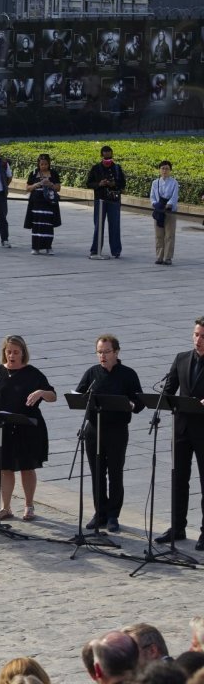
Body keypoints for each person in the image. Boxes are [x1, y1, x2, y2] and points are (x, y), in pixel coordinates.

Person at [0, 335, 56, 521]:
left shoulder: (33, 373)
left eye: (16, 352)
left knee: (27, 467)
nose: (12, 355)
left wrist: (41, 392)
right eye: (9, 352)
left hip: (27, 428)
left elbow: (52, 396)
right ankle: (5, 507)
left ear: (23, 353)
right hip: (2, 428)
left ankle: (29, 506)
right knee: (5, 468)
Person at [76, 334, 144, 533]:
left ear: (116, 352)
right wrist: (82, 397)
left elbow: (140, 402)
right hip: (93, 430)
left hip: (117, 431)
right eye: (99, 352)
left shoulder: (128, 374)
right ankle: (100, 513)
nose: (102, 356)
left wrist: (131, 404)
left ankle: (113, 514)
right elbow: (79, 394)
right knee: (97, 472)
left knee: (115, 473)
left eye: (106, 352)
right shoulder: (92, 373)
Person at [156, 317, 204, 552]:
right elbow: (169, 389)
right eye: (196, 334)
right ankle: (177, 527)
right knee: (178, 479)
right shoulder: (181, 358)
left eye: (203, 336)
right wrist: (163, 400)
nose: (198, 340)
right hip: (182, 429)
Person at [87, 145, 126, 259]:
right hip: (100, 200)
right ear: (101, 156)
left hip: (114, 200)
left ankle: (116, 251)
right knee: (98, 225)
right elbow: (89, 183)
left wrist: (114, 184)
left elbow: (123, 184)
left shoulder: (117, 168)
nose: (107, 161)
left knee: (115, 225)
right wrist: (100, 183)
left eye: (109, 159)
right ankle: (95, 250)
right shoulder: (96, 168)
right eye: (105, 159)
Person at [23, 153, 61, 255]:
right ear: (38, 164)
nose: (43, 166)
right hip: (36, 203)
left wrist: (51, 184)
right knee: (36, 225)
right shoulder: (34, 173)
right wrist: (37, 184)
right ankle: (35, 247)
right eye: (41, 164)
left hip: (49, 203)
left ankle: (48, 247)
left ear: (49, 164)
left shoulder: (53, 173)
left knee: (48, 225)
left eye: (45, 164)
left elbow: (58, 188)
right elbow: (27, 188)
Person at [151, 160, 179, 265]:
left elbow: (175, 196)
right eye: (162, 168)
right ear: (159, 170)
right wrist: (155, 204)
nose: (164, 171)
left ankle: (168, 257)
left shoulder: (174, 182)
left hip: (170, 211)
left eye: (167, 168)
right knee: (159, 235)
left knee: (169, 235)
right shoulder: (155, 182)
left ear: (170, 170)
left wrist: (169, 204)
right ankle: (159, 256)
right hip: (159, 211)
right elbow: (152, 197)